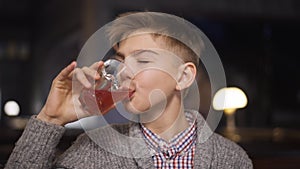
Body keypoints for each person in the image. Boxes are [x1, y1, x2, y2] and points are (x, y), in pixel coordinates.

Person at [5, 12, 252, 168]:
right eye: (122, 60)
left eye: (143, 61)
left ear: (184, 76)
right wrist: (51, 118)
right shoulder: (95, 150)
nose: (124, 72)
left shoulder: (231, 160)